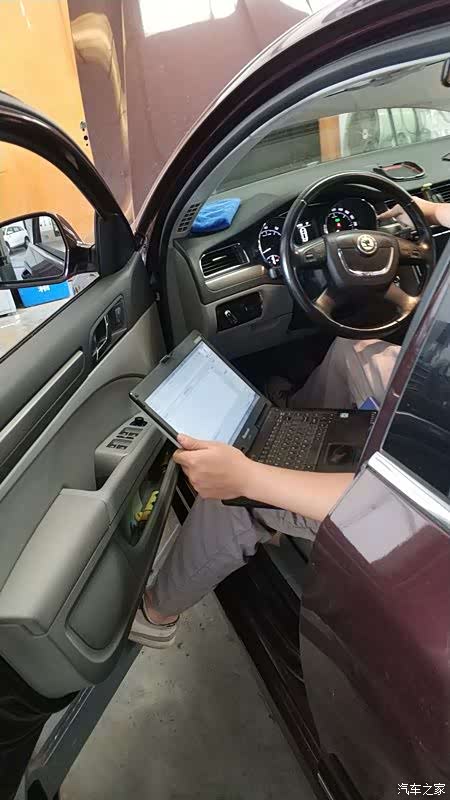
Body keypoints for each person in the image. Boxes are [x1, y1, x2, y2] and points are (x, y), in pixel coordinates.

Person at [130, 195, 448, 648]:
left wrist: (249, 477)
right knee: (352, 352)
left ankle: (156, 612)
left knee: (235, 500)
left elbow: (395, 500)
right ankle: (289, 426)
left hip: (422, 514)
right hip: (435, 420)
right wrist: (428, 211)